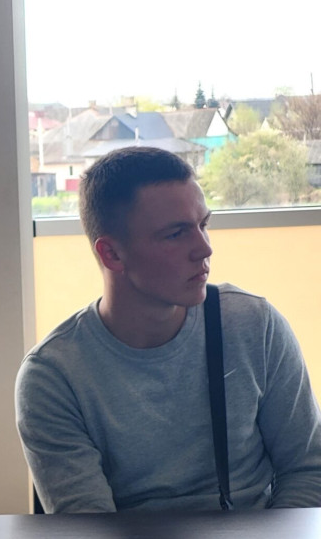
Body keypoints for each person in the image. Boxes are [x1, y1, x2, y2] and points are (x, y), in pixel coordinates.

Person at [16, 146, 321, 512]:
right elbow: (89, 528)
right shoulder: (53, 376)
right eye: (176, 234)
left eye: (204, 225)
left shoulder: (253, 325)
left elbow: (308, 470)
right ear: (111, 254)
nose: (204, 249)